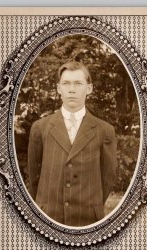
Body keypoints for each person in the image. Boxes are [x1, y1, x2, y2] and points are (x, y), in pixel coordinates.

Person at [28, 61, 117, 227]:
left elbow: (107, 177)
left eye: (78, 83)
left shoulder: (105, 131)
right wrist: (43, 206)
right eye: (66, 83)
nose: (72, 89)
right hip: (48, 217)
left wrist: (92, 207)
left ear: (89, 88)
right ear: (58, 88)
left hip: (88, 219)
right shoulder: (40, 128)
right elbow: (34, 176)